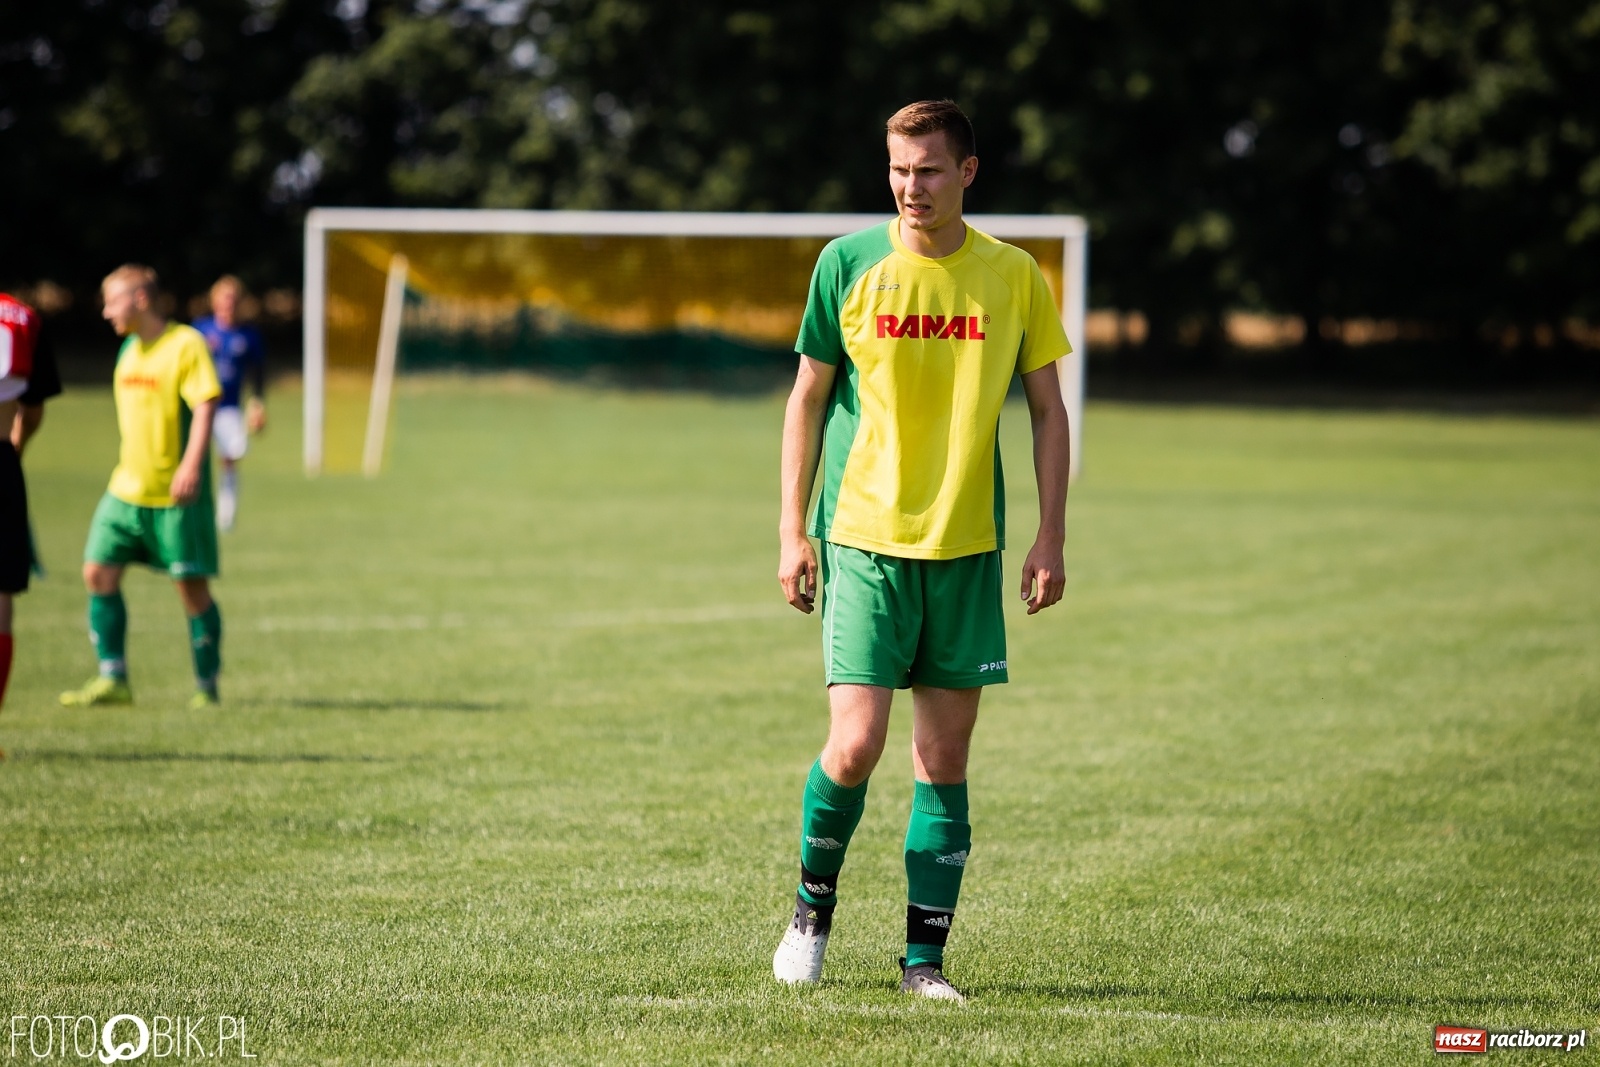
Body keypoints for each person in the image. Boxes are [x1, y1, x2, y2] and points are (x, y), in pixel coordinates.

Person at [772, 100, 1072, 1001]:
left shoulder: (1013, 276)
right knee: (856, 743)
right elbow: (806, 397)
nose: (912, 186)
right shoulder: (847, 264)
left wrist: (1050, 533)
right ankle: (811, 912)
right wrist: (792, 528)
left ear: (967, 172)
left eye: (930, 169)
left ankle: (922, 964)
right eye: (900, 169)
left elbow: (1049, 411)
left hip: (968, 548)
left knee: (943, 761)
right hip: (863, 539)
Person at [60, 265, 225, 710]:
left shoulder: (185, 344)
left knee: (190, 590)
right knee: (97, 572)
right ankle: (113, 678)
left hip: (175, 495)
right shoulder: (128, 350)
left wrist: (191, 465)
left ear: (141, 299)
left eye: (112, 301)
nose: (105, 312)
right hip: (125, 490)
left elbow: (206, 403)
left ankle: (206, 685)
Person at [0, 291, 63, 744]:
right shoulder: (22, 316)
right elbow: (34, 407)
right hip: (0, 457)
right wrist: (14, 450)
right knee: (0, 595)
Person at [191, 275, 267, 531]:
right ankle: (193, 511)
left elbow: (258, 372)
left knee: (230, 459)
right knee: (195, 457)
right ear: (214, 301)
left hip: (228, 408)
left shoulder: (248, 335)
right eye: (224, 298)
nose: (229, 304)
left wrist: (257, 403)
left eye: (234, 299)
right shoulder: (200, 330)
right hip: (199, 406)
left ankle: (226, 516)